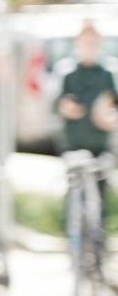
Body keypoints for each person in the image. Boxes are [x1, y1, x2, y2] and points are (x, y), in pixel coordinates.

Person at [55, 21, 117, 219]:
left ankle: (99, 240)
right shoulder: (68, 73)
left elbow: (112, 104)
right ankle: (72, 236)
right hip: (74, 142)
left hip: (99, 142)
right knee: (73, 191)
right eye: (85, 43)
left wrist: (109, 116)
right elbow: (56, 102)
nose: (88, 47)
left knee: (100, 194)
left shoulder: (107, 74)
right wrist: (65, 107)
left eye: (92, 43)